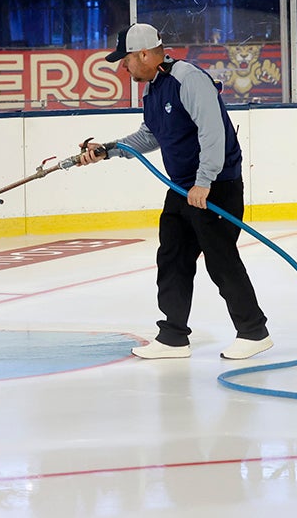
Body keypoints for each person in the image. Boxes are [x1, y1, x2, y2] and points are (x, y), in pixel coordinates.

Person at [77, 23, 272, 360]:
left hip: (215, 186)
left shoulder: (187, 78)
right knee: (172, 257)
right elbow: (149, 135)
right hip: (182, 186)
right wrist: (108, 150)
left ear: (143, 54)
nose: (123, 67)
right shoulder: (152, 88)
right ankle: (173, 337)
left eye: (125, 60)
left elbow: (213, 131)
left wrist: (204, 181)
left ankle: (254, 332)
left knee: (220, 259)